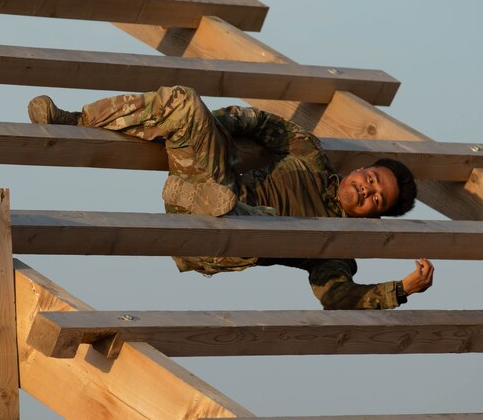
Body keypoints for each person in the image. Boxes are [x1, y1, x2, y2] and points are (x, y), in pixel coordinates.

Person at [28, 86, 435, 309]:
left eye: (376, 199)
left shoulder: (335, 247)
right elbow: (255, 121)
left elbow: (337, 296)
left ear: (372, 218)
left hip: (218, 241)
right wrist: (209, 129)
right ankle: (78, 119)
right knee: (186, 102)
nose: (367, 189)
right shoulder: (309, 155)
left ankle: (218, 205)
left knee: (265, 224)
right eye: (371, 178)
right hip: (205, 184)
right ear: (360, 169)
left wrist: (400, 289)